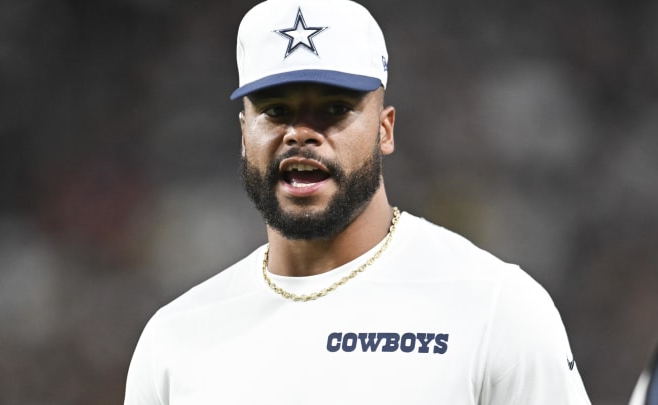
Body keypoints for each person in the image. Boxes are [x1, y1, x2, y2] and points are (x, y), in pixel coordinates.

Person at [124, 0, 591, 403]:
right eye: (275, 111)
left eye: (334, 109)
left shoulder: (495, 305)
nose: (300, 133)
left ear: (384, 129)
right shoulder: (175, 338)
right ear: (243, 135)